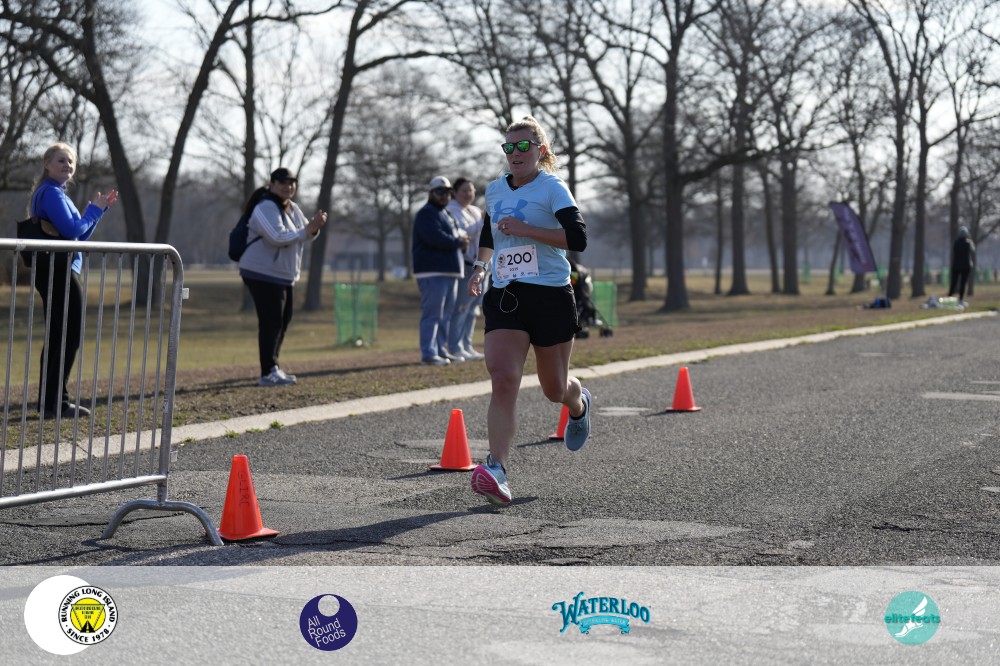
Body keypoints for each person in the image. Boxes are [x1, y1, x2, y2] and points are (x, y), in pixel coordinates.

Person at [466, 116, 591, 506]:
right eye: (509, 147)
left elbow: (578, 238)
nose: (516, 153)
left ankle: (578, 402)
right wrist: (480, 267)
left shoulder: (552, 188)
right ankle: (497, 469)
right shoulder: (494, 190)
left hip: (550, 295)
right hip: (506, 294)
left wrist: (526, 229)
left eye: (524, 146)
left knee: (554, 388)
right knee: (504, 379)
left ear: (541, 151)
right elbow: (489, 234)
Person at [27, 142, 118, 419]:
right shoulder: (52, 194)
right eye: (61, 160)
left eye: (71, 161)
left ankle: (49, 403)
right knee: (70, 336)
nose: (67, 165)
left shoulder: (56, 193)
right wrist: (92, 212)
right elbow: (70, 230)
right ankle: (57, 403)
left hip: (57, 269)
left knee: (58, 336)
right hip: (60, 271)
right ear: (47, 164)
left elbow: (77, 236)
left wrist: (97, 211)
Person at [239, 168, 327, 386]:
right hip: (261, 272)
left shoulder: (292, 208)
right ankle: (267, 372)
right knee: (271, 321)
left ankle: (273, 368)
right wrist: (306, 231)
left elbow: (304, 234)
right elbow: (277, 237)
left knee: (282, 320)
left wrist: (313, 229)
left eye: (291, 183)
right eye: (283, 182)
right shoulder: (265, 207)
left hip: (282, 275)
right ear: (272, 184)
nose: (288, 186)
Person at [412, 176, 469, 366]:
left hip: (450, 271)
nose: (444, 195)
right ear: (431, 193)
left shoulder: (446, 214)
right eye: (439, 191)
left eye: (447, 192)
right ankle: (428, 353)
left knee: (446, 315)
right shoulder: (426, 213)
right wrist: (458, 242)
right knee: (433, 314)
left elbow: (454, 237)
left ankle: (441, 350)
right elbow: (435, 237)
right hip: (432, 272)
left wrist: (461, 242)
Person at [446, 177, 487, 361]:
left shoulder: (475, 210)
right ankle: (455, 347)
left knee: (473, 308)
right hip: (465, 264)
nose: (468, 194)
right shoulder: (451, 210)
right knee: (461, 306)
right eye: (464, 190)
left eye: (471, 190)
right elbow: (462, 233)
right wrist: (481, 222)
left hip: (481, 265)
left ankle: (466, 345)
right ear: (455, 193)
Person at [948, 225, 975, 306]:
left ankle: (949, 297)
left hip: (956, 265)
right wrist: (970, 239)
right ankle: (960, 299)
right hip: (966, 266)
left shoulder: (955, 243)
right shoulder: (968, 243)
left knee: (954, 282)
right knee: (963, 283)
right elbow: (973, 250)